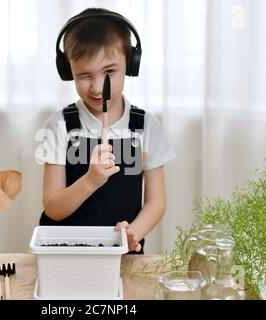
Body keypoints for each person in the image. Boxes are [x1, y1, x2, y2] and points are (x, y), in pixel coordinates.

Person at [35, 8, 175, 253]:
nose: (98, 88)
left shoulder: (146, 126)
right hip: (65, 251)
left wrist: (134, 233)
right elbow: (53, 207)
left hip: (121, 254)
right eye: (84, 75)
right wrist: (90, 181)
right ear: (69, 72)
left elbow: (157, 201)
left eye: (109, 72)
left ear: (130, 64)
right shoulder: (60, 125)